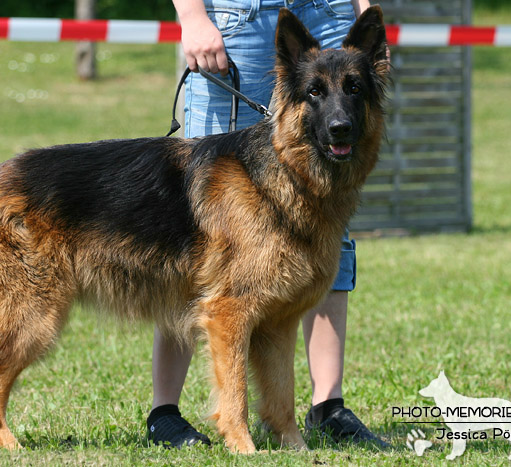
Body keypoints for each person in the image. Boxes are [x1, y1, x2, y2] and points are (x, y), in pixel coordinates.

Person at [146, 0, 388, 449]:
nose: (339, 116)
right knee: (198, 243)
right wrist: (192, 16)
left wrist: (367, 8)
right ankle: (166, 413)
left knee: (323, 242)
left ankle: (325, 408)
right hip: (235, 17)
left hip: (330, 10)